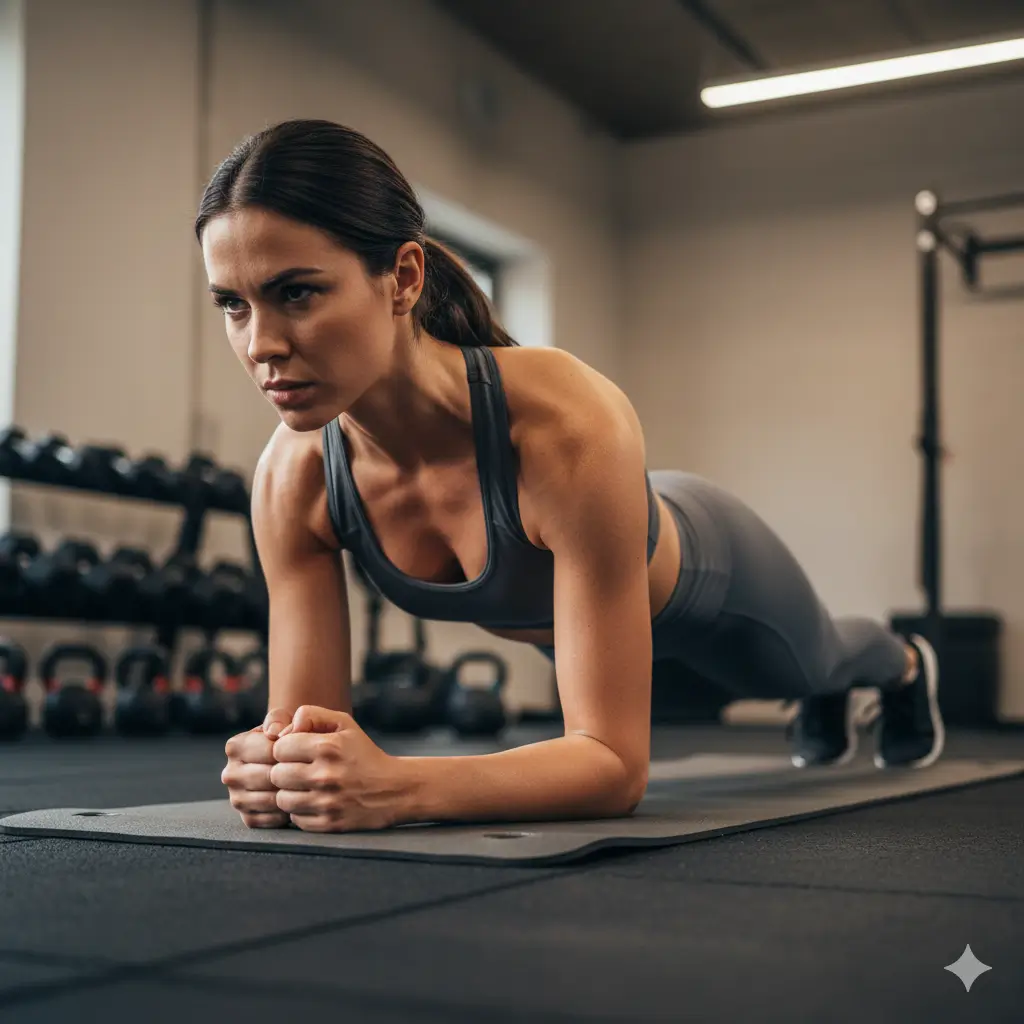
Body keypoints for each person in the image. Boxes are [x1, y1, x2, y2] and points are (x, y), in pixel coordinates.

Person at [202, 120, 944, 834]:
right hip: (584, 616)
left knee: (807, 668)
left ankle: (903, 666)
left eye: (296, 293)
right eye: (233, 304)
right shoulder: (291, 479)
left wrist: (398, 784)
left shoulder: (562, 421)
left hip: (711, 582)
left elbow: (614, 769)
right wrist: (279, 772)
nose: (261, 344)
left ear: (401, 277)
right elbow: (305, 729)